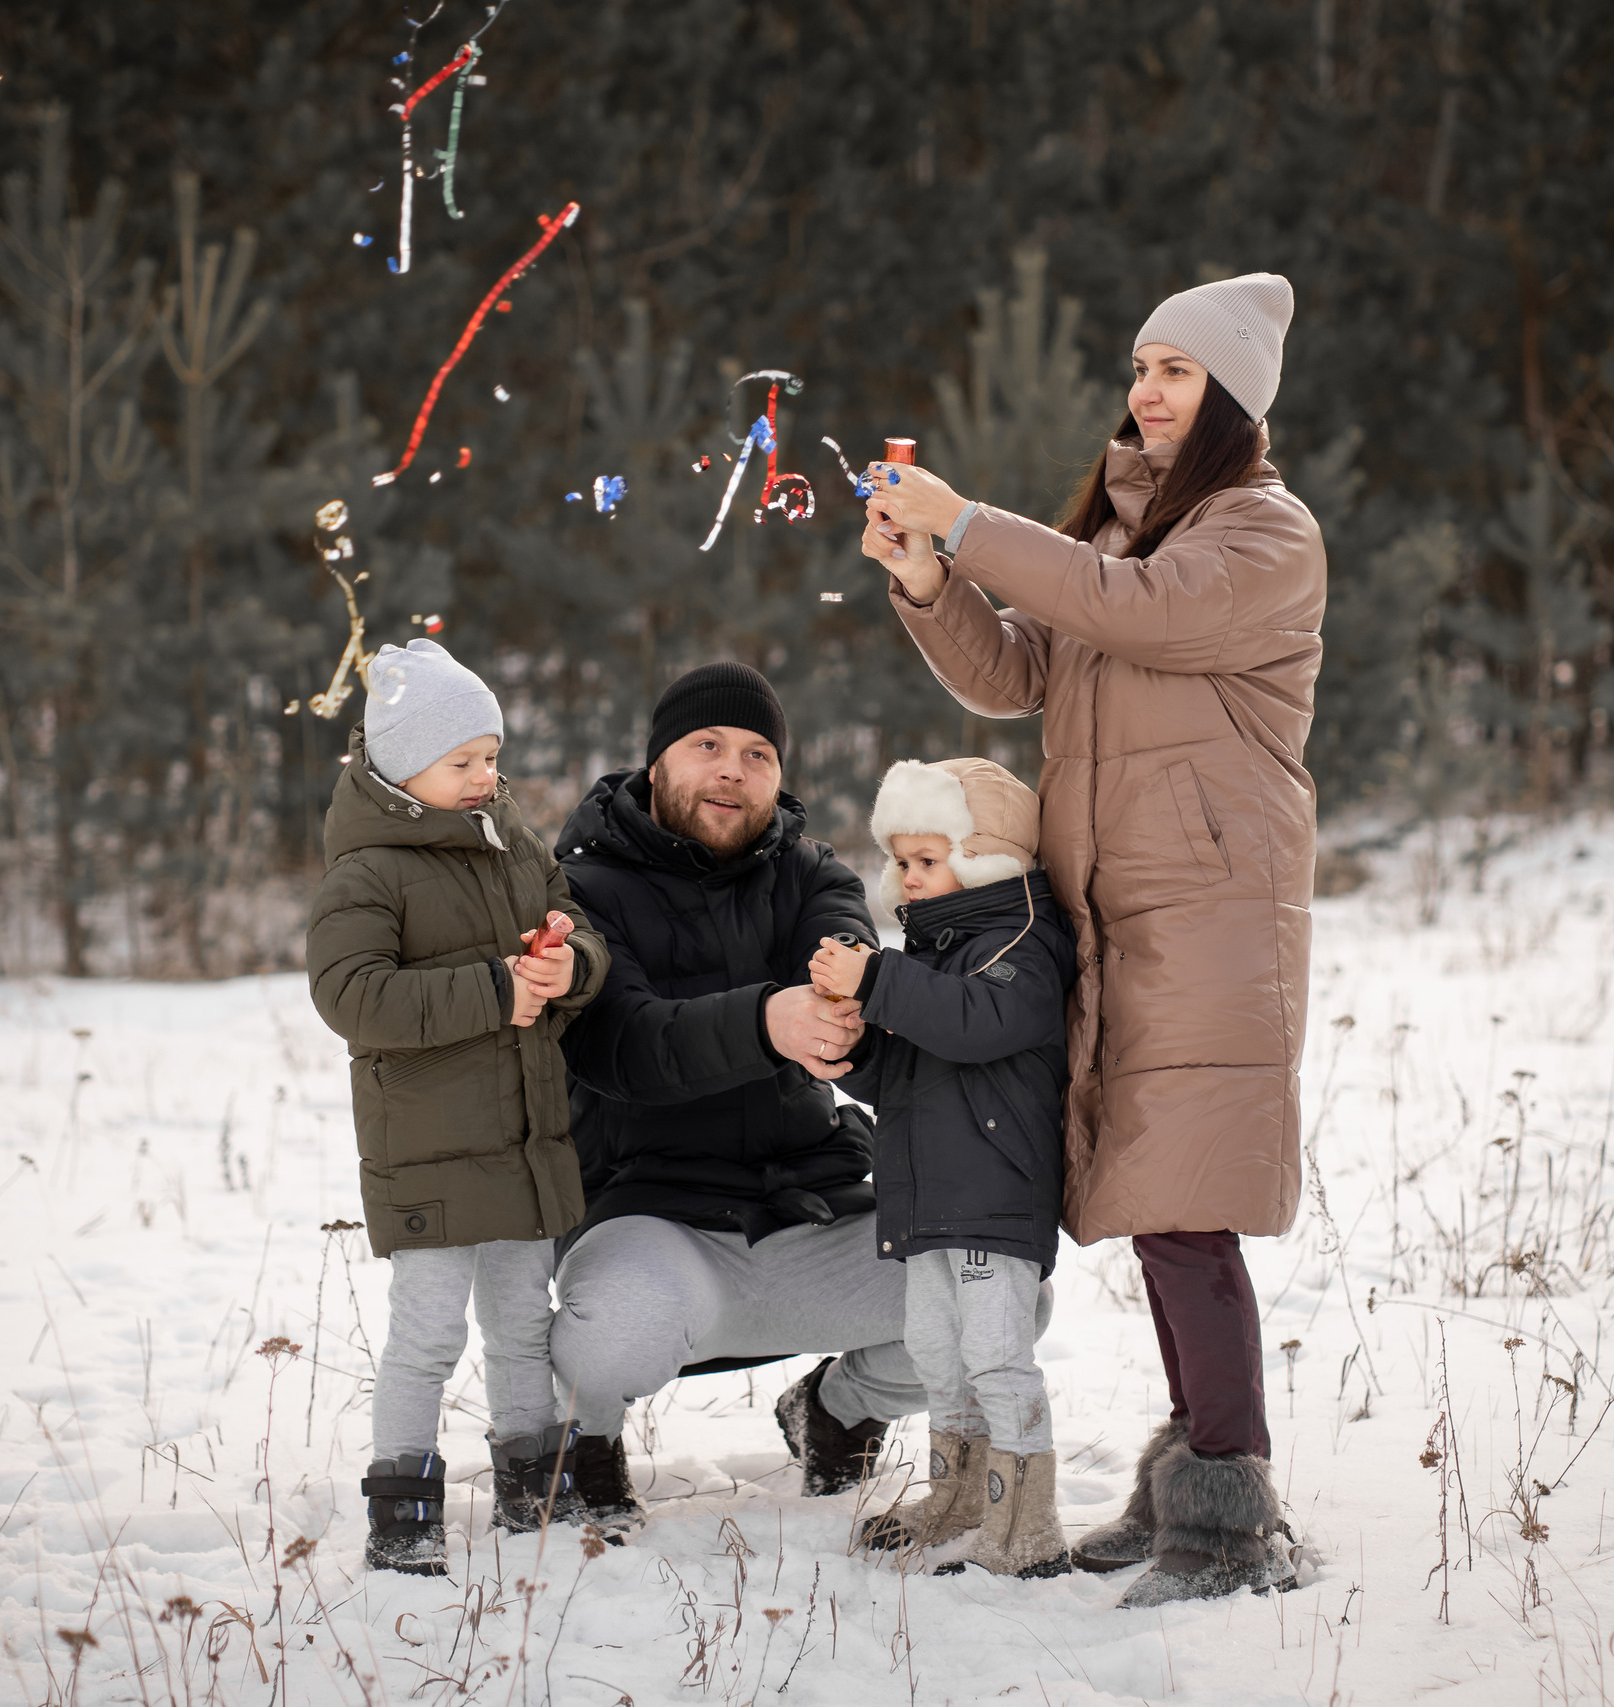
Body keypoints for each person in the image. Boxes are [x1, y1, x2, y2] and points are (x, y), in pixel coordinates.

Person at [858, 273, 1326, 1606]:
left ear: (1234, 394)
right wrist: (931, 577)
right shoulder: (1120, 548)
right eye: (1140, 366)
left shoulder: (1259, 536)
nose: (1147, 391)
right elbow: (1021, 671)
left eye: (1177, 369)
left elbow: (1147, 616)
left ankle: (1233, 1520)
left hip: (1212, 913)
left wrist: (975, 521)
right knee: (1151, 1204)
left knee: (1188, 1209)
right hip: (1114, 908)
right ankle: (1197, 1475)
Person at [549, 663, 1009, 1528]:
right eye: (707, 745)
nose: (733, 768)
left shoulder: (813, 875)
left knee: (1001, 1287)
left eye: (758, 752)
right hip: (654, 1219)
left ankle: (835, 1409)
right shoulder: (578, 887)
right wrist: (769, 1022)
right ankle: (587, 1436)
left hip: (809, 1208)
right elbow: (621, 1044)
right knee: (612, 1337)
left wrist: (847, 1013)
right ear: (657, 764)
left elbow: (842, 959)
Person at [305, 639, 610, 1576]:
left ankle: (531, 1479)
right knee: (429, 1330)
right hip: (430, 1149)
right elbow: (350, 994)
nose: (487, 775)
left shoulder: (508, 836)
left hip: (519, 1139)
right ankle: (403, 1499)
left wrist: (569, 965)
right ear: (403, 768)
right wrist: (493, 990)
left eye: (492, 756)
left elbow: (578, 926)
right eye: (463, 761)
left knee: (523, 1319)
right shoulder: (369, 869)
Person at [809, 757, 1078, 1579]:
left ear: (985, 855)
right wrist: (849, 1054)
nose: (908, 878)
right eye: (901, 862)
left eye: (928, 859)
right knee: (935, 1349)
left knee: (997, 1353)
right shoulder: (930, 955)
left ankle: (1026, 1521)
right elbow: (909, 1076)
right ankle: (962, 1494)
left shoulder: (1023, 943)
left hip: (992, 1196)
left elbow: (976, 1023)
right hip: (928, 1196)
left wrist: (882, 978)